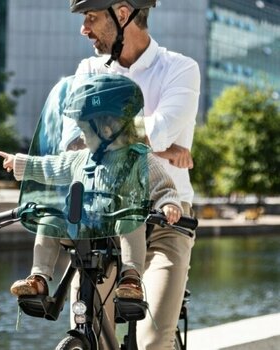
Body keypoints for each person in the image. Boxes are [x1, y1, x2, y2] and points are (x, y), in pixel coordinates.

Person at [68, 1, 201, 349]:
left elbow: (161, 128)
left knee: (151, 340)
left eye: (91, 18)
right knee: (89, 326)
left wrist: (104, 134)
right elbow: (71, 141)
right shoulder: (89, 70)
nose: (84, 29)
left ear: (123, 14)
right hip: (103, 216)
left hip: (166, 217)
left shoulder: (180, 69)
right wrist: (158, 148)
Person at [0, 74, 183, 303]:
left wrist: (169, 204)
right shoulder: (80, 158)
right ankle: (39, 277)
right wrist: (20, 162)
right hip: (82, 226)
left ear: (106, 130)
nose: (82, 137)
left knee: (130, 218)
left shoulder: (138, 158)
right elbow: (52, 166)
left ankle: (131, 277)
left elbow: (164, 188)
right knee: (48, 219)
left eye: (85, 131)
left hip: (114, 230)